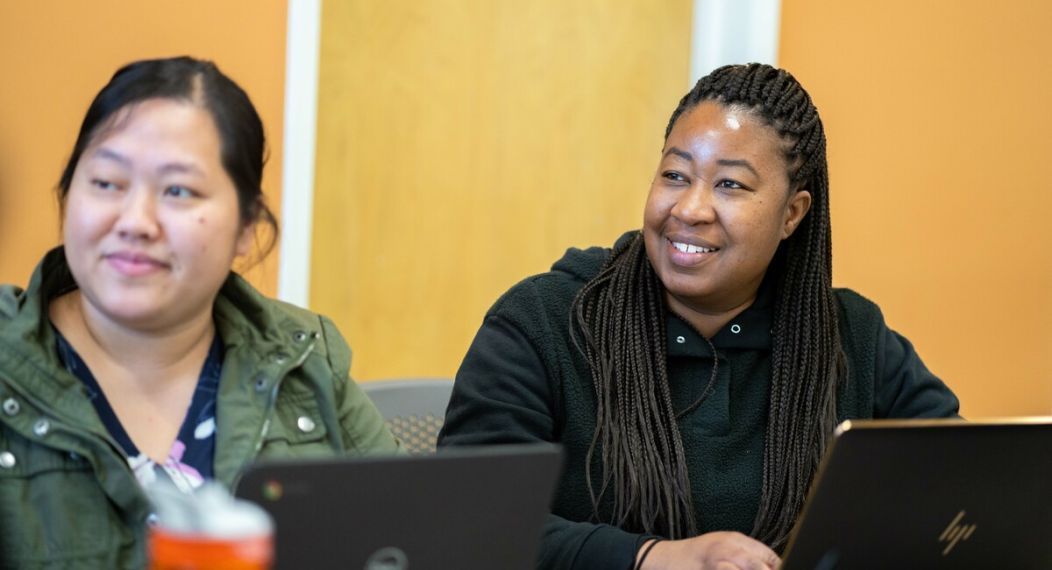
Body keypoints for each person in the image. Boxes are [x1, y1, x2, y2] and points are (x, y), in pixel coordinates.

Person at [438, 63, 959, 570]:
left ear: (792, 214)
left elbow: (966, 490)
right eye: (674, 175)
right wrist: (649, 557)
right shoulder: (542, 323)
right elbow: (469, 519)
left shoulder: (850, 337)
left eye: (730, 185)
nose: (690, 208)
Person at [0, 56, 399, 567]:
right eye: (106, 183)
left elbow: (410, 540)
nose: (136, 221)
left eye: (178, 191)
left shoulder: (305, 362)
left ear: (247, 226)